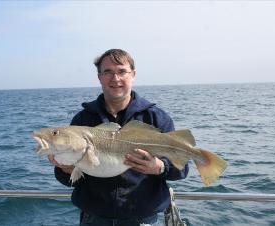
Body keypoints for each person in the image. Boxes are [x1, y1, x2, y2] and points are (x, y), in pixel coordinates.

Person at [48, 49, 189, 226]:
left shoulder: (156, 118)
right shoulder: (82, 120)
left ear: (133, 74)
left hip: (142, 219)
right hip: (93, 219)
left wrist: (160, 167)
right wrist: (64, 169)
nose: (115, 79)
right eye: (108, 72)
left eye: (122, 71)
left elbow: (182, 169)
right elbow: (71, 181)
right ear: (99, 77)